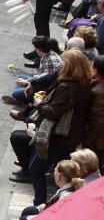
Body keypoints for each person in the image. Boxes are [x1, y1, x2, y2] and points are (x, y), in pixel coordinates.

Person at [26, 49, 92, 206]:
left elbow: (53, 112)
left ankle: (40, 204)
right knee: (62, 173)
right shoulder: (85, 85)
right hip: (73, 135)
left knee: (36, 168)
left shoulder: (67, 86)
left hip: (59, 136)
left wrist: (39, 104)